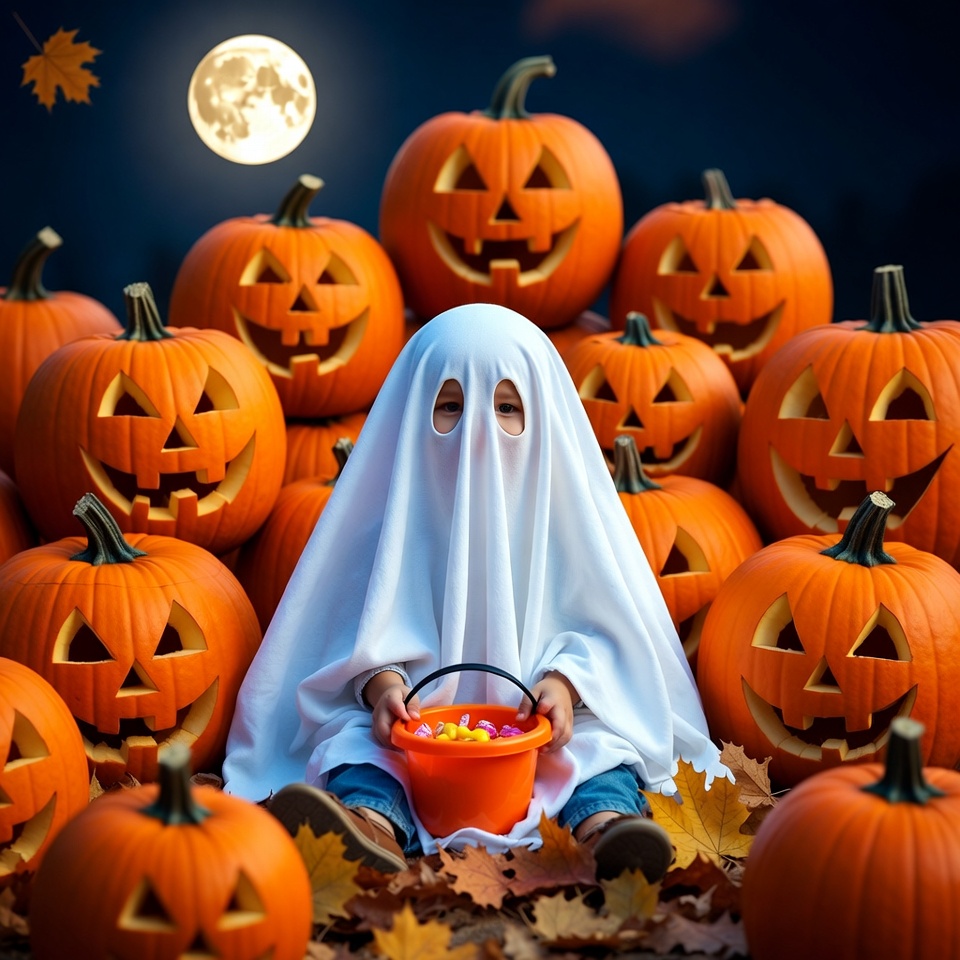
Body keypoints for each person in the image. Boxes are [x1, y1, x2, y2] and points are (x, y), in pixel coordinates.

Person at [222, 302, 731, 880]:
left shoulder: (569, 519)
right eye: (450, 408)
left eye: (507, 408)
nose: (478, 430)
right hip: (420, 739)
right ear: (412, 417)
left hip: (543, 738)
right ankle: (369, 824)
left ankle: (605, 829)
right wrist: (384, 689)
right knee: (357, 747)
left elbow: (610, 635)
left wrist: (565, 687)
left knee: (600, 753)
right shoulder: (387, 521)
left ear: (543, 417)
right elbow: (354, 636)